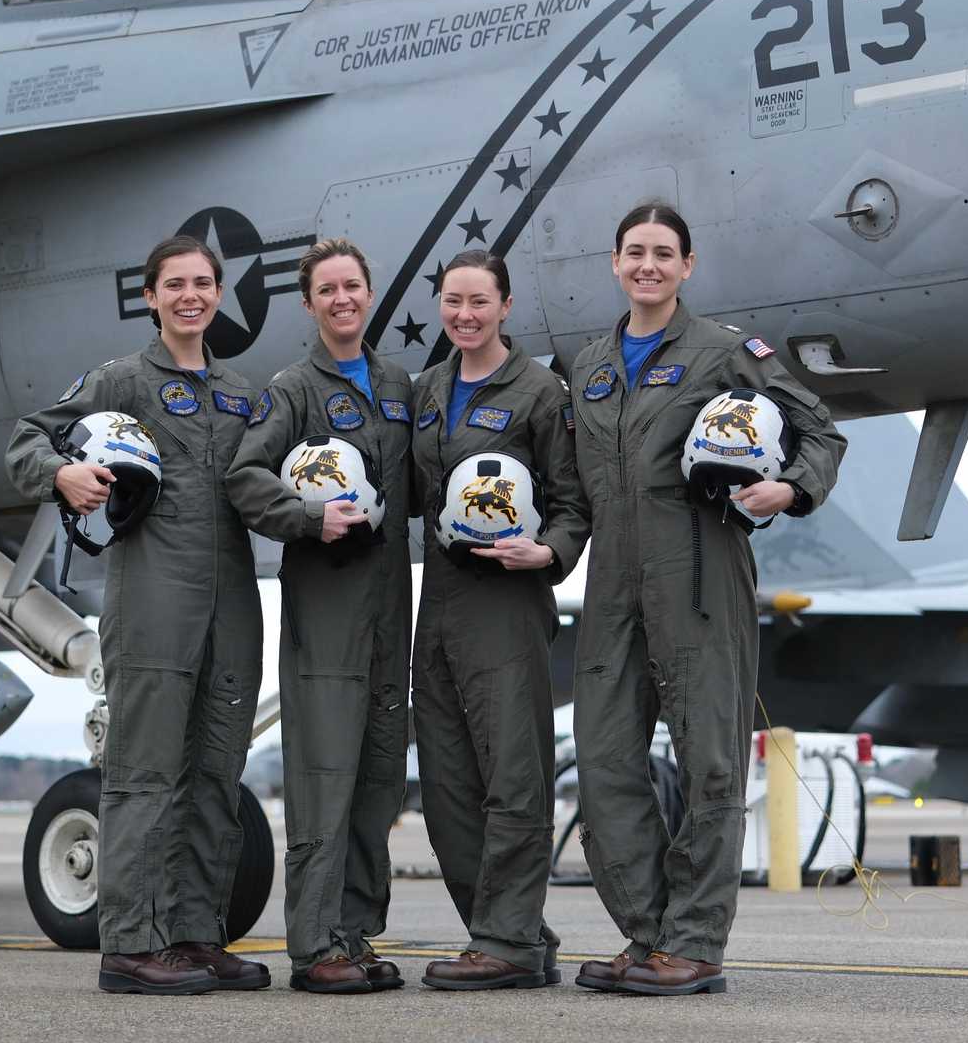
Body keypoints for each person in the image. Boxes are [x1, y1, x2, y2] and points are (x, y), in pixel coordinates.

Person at [569, 202, 846, 996]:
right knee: (604, 764)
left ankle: (694, 944)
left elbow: (820, 431)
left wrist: (788, 490)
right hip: (611, 582)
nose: (647, 265)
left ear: (687, 266)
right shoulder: (589, 363)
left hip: (699, 574)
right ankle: (650, 933)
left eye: (663, 253)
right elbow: (573, 486)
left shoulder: (725, 352)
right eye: (634, 252)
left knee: (711, 765)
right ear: (615, 263)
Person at [5, 235, 269, 995]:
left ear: (219, 294)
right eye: (175, 285)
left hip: (234, 604)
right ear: (151, 297)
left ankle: (195, 935)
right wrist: (65, 471)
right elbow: (30, 438)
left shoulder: (242, 393)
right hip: (153, 597)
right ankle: (130, 944)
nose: (191, 296)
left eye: (203, 284)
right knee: (147, 773)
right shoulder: (124, 379)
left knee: (217, 772)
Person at [225, 238, 413, 994]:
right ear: (309, 304)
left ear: (369, 295)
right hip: (326, 611)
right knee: (324, 776)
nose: (342, 299)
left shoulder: (398, 385)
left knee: (377, 780)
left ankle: (354, 933)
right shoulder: (294, 388)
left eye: (353, 287)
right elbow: (243, 475)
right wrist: (306, 517)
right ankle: (313, 946)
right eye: (326, 290)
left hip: (390, 610)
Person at [408, 250, 590, 991]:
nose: (465, 315)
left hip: (507, 603)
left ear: (505, 305)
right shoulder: (428, 390)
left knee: (514, 776)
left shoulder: (540, 393)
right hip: (440, 599)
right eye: (454, 302)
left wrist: (548, 551)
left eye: (479, 302)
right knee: (448, 783)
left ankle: (506, 942)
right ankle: (515, 930)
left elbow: (574, 502)